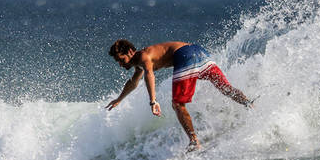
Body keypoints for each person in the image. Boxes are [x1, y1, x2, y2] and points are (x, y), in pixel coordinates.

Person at [106, 39, 251, 151]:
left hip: (185, 56)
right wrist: (119, 99)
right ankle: (250, 105)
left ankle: (194, 142)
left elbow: (149, 74)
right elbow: (133, 82)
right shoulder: (139, 64)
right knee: (225, 88)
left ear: (130, 52)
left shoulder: (144, 57)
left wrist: (153, 101)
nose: (120, 64)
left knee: (177, 104)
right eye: (117, 61)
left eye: (121, 59)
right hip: (198, 51)